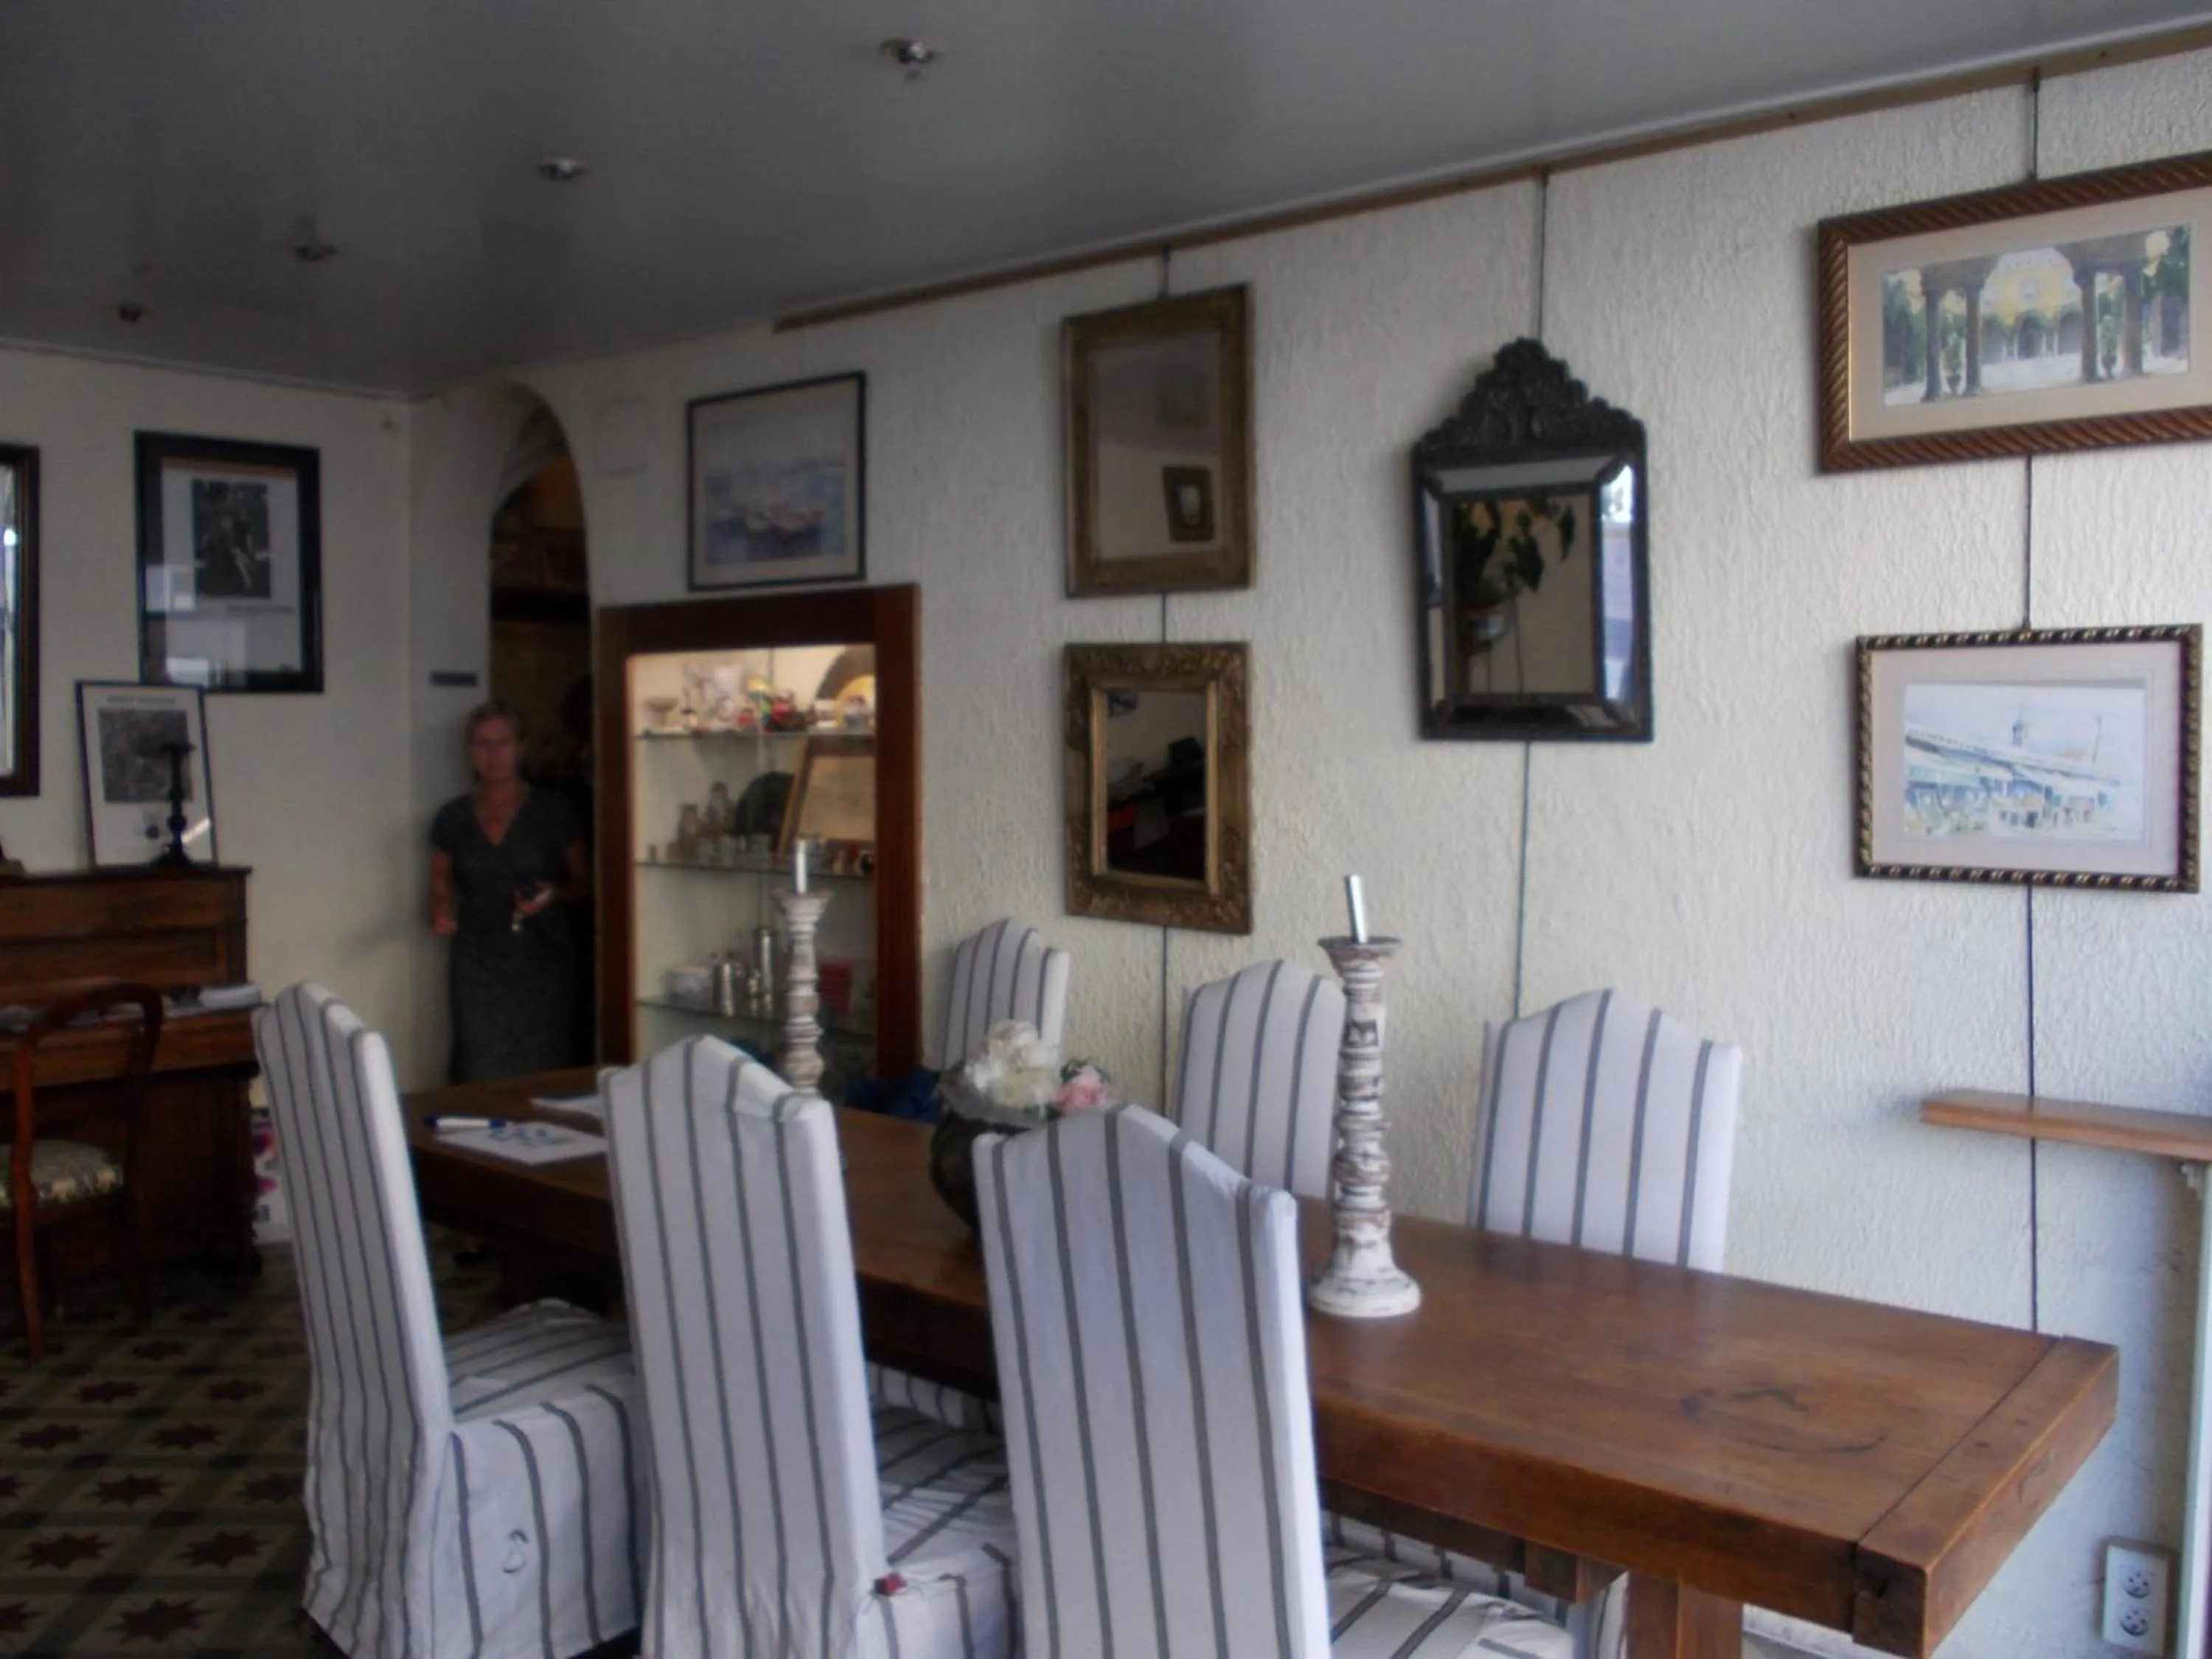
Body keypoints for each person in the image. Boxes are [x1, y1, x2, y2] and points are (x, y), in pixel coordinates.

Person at [428, 701, 591, 1081]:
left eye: (502, 743)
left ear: (521, 748)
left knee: (544, 1068)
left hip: (543, 959)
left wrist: (553, 895)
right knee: (479, 1063)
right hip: (478, 961)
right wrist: (440, 912)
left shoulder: (553, 810)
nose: (494, 754)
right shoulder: (453, 817)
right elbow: (439, 886)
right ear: (470, 751)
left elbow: (584, 884)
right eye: (483, 744)